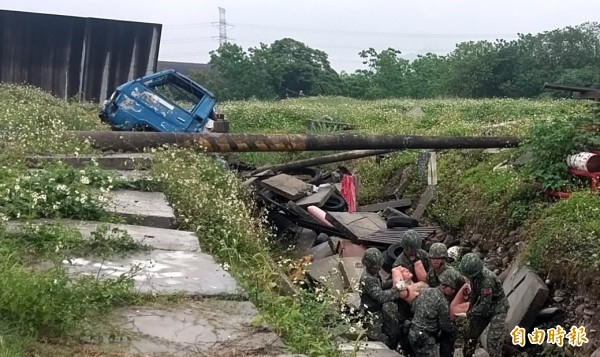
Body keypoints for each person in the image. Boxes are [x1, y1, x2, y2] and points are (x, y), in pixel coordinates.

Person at [459, 253, 509, 357]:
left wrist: (470, 313)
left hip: (498, 308)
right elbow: (474, 294)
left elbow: (485, 305)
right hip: (484, 305)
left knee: (492, 341)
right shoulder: (474, 277)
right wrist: (469, 308)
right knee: (471, 336)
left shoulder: (487, 280)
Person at [408, 268, 463, 356]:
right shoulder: (442, 301)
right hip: (425, 338)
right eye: (452, 288)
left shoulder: (425, 291)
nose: (453, 291)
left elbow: (413, 308)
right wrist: (454, 327)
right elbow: (445, 326)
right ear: (444, 286)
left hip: (413, 333)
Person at [359, 248, 403, 349]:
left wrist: (392, 282)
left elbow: (380, 285)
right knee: (376, 342)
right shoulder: (368, 278)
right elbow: (381, 296)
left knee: (391, 332)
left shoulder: (373, 274)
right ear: (368, 266)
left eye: (379, 267)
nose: (378, 269)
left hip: (377, 311)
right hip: (371, 314)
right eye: (375, 268)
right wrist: (396, 290)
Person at [427, 243, 464, 357]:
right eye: (433, 258)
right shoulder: (431, 274)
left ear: (444, 259)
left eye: (438, 258)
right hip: (437, 310)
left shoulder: (453, 274)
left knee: (447, 340)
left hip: (450, 310)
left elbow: (464, 288)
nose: (435, 261)